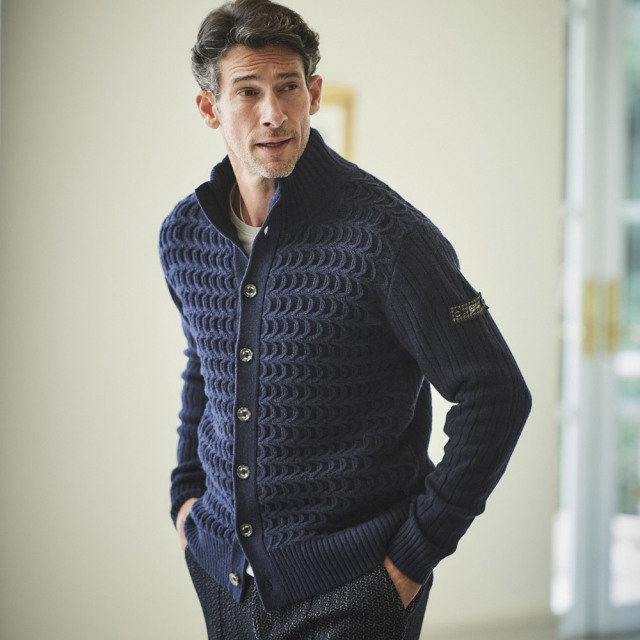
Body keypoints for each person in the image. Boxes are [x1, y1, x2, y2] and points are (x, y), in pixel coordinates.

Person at [158, 1, 532, 638]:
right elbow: (206, 367)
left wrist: (412, 558)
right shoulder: (185, 235)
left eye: (288, 87)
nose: (273, 113)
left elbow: (495, 392)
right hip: (222, 577)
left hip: (354, 590)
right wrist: (187, 498)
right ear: (209, 108)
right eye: (247, 92)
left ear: (314, 94)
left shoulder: (386, 237)